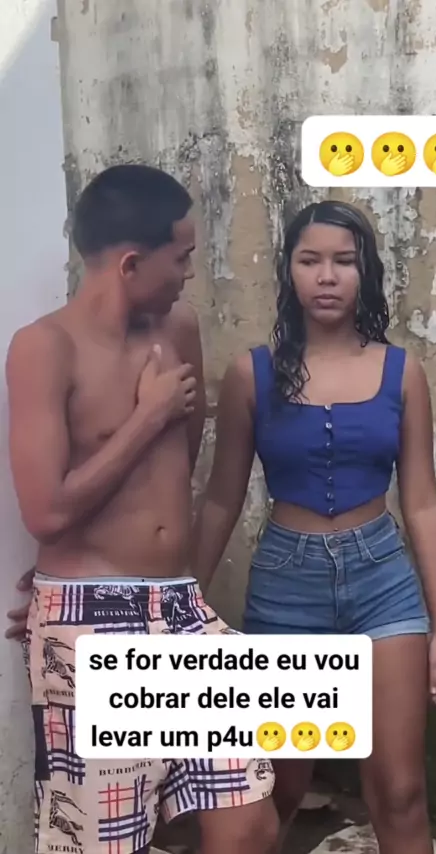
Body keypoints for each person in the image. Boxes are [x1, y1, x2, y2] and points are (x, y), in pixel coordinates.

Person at [4, 164, 278, 854]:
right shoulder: (44, 348)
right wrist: (147, 415)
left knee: (249, 821)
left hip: (179, 604)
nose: (191, 272)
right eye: (181, 257)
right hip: (90, 624)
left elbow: (175, 465)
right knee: (106, 840)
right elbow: (46, 513)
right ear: (131, 263)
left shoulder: (177, 328)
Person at [189, 200, 436, 854]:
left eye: (344, 261)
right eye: (310, 260)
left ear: (366, 271)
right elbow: (222, 498)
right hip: (287, 589)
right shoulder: (252, 374)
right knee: (276, 791)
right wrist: (181, 603)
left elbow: (422, 501)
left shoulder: (403, 372)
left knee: (399, 790)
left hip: (383, 584)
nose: (328, 276)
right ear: (289, 270)